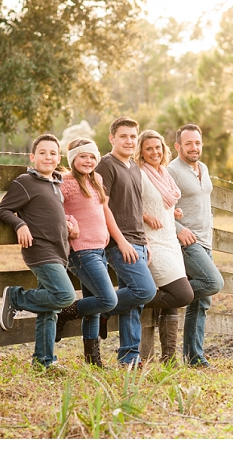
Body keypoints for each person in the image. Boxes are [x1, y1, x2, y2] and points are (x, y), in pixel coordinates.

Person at [0, 133, 77, 370]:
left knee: (48, 310)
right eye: (42, 152)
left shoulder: (55, 183)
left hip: (59, 251)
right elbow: (3, 210)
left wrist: (67, 224)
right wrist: (20, 224)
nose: (48, 157)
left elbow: (50, 213)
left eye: (53, 153)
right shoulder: (25, 182)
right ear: (32, 157)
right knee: (64, 297)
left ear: (58, 157)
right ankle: (16, 297)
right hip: (40, 251)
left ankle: (44, 360)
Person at [95, 117, 157, 367]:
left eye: (133, 136)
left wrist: (145, 241)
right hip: (119, 242)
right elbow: (103, 207)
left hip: (138, 240)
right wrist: (120, 241)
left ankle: (129, 356)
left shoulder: (133, 167)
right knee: (145, 290)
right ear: (112, 138)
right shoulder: (106, 165)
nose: (129, 141)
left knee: (135, 301)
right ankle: (102, 308)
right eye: (123, 136)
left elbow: (136, 207)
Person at [53, 138, 119, 368]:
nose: (88, 161)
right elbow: (52, 210)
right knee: (107, 300)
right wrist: (69, 223)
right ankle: (65, 312)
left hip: (99, 249)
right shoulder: (65, 182)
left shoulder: (96, 179)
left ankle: (93, 360)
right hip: (81, 251)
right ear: (72, 159)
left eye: (92, 157)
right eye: (82, 156)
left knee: (94, 307)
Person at [134, 129, 194, 364]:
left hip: (170, 241)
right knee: (182, 294)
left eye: (157, 147)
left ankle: (168, 358)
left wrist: (172, 212)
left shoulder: (164, 175)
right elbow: (126, 205)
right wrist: (145, 216)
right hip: (153, 242)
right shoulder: (139, 174)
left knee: (171, 296)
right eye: (148, 148)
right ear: (141, 151)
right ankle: (125, 300)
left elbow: (162, 203)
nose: (154, 152)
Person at [167, 124, 224, 368]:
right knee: (213, 283)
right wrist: (179, 230)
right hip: (187, 242)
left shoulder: (203, 168)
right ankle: (169, 294)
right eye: (188, 143)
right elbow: (158, 206)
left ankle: (194, 357)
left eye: (198, 143)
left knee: (201, 301)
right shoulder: (172, 170)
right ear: (178, 146)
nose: (194, 147)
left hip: (205, 240)